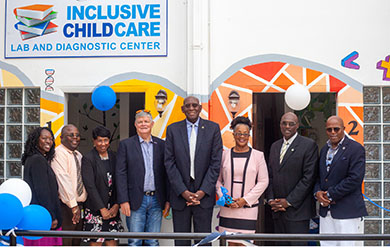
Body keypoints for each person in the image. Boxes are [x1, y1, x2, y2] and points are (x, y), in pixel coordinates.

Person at [165, 96, 223, 246]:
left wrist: (202, 192)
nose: (191, 108)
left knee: (203, 241)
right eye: (188, 106)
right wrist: (183, 191)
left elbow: (215, 163)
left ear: (200, 108)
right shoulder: (172, 129)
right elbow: (169, 163)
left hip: (203, 196)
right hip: (180, 195)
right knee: (181, 241)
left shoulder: (213, 129)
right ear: (183, 109)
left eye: (195, 105)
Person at [116, 110, 169, 246]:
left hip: (157, 200)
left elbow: (166, 174)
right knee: (135, 241)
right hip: (135, 200)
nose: (143, 124)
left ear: (152, 124)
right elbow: (120, 173)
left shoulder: (162, 145)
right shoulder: (126, 145)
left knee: (153, 241)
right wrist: (123, 200)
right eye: (140, 122)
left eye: (146, 121)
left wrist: (168, 199)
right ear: (135, 124)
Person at [266, 112, 318, 246]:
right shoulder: (274, 146)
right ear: (280, 125)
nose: (287, 126)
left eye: (291, 124)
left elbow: (308, 178)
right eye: (284, 123)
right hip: (277, 212)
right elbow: (270, 175)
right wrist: (271, 200)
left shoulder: (308, 145)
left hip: (298, 212)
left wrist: (288, 202)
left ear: (297, 126)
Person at [314, 116, 367, 246]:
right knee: (327, 245)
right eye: (329, 129)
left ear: (343, 129)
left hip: (347, 210)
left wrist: (330, 194)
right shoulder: (324, 149)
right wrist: (318, 193)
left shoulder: (355, 149)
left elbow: (355, 179)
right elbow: (319, 177)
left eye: (336, 129)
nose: (333, 132)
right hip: (326, 212)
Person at [216, 117, 269, 246]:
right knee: (228, 243)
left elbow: (263, 181)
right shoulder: (224, 155)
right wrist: (226, 199)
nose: (242, 137)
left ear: (249, 135)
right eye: (239, 133)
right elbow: (217, 181)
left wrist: (244, 200)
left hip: (247, 210)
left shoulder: (258, 156)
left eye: (245, 134)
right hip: (227, 209)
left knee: (244, 243)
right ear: (233, 134)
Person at [81, 126, 123, 246]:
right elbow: (90, 186)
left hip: (112, 209)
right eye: (99, 140)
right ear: (94, 141)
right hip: (95, 209)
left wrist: (116, 205)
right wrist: (102, 209)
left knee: (112, 242)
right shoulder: (88, 159)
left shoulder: (114, 156)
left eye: (105, 140)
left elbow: (119, 182)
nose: (103, 144)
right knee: (96, 243)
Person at [22, 127, 62, 246]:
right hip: (42, 217)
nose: (48, 141)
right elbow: (42, 191)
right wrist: (51, 216)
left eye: (50, 139)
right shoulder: (37, 160)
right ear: (35, 140)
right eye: (44, 138)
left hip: (38, 215)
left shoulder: (35, 158)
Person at [51, 124, 87, 246]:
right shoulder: (58, 154)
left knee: (76, 241)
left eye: (77, 135)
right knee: (67, 241)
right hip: (67, 206)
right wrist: (73, 206)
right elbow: (63, 180)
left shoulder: (78, 155)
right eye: (71, 135)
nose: (75, 138)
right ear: (61, 138)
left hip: (79, 205)